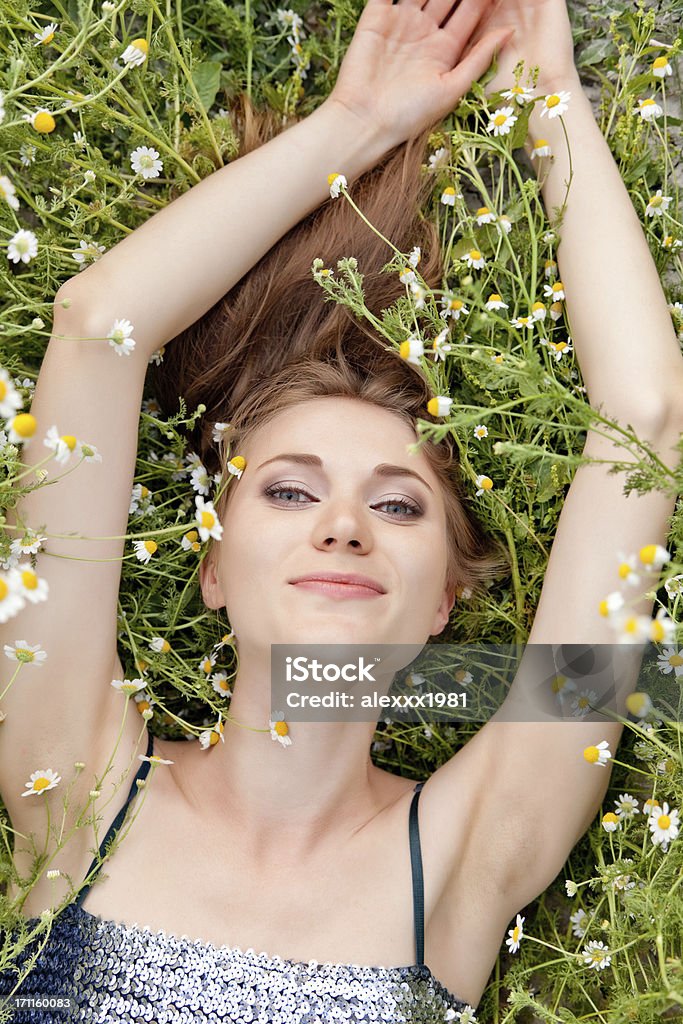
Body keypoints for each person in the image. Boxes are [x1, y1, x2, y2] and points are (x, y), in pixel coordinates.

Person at [1, 0, 682, 1020]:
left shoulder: (468, 848)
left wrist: (546, 94)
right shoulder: (72, 773)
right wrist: (358, 120)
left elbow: (645, 422)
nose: (343, 525)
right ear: (213, 565)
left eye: (400, 506)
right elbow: (100, 329)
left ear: (445, 599)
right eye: (286, 489)